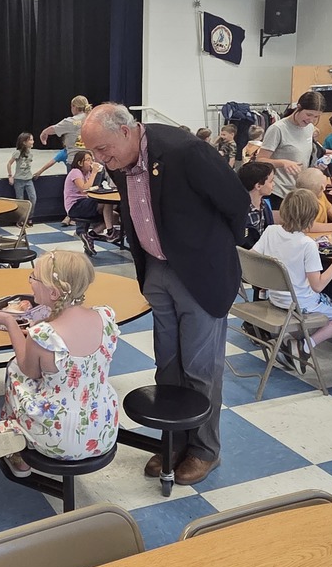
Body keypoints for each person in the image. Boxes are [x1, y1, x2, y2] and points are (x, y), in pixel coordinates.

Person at [81, 103, 248, 485]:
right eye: (93, 153)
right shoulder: (118, 160)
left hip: (198, 274)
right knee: (167, 365)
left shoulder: (184, 151)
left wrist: (213, 250)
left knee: (200, 369)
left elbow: (236, 203)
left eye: (103, 149)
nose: (100, 160)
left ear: (126, 131)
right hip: (156, 268)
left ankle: (206, 450)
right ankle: (174, 441)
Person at [0, 251, 120, 475]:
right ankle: (18, 439)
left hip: (57, 438)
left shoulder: (44, 335)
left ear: (53, 292)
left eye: (34, 277)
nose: (30, 282)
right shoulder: (105, 316)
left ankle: (18, 442)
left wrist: (11, 325)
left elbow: (28, 370)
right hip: (104, 428)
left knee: (14, 370)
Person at [252, 189, 332, 367]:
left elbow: (253, 258)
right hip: (301, 303)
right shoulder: (307, 245)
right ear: (311, 217)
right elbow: (318, 286)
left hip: (276, 297)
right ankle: (305, 346)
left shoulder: (271, 231)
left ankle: (289, 340)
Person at [257, 91, 324, 209]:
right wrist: (283, 163)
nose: (311, 120)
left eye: (316, 116)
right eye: (308, 114)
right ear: (298, 107)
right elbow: (260, 160)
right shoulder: (278, 129)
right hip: (278, 191)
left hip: (299, 191)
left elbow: (304, 158)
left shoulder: (310, 128)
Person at [62, 151, 117, 255]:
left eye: (92, 159)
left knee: (114, 216)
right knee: (106, 202)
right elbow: (84, 189)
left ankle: (90, 235)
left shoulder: (87, 173)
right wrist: (94, 172)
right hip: (76, 206)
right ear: (80, 163)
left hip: (85, 203)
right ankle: (110, 232)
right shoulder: (75, 172)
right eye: (87, 160)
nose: (91, 162)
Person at [34, 95, 91, 177]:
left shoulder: (71, 121)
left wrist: (44, 133)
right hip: (91, 162)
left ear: (74, 106)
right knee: (91, 188)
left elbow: (54, 129)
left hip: (75, 162)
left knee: (75, 189)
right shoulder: (93, 119)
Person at [238, 161, 275, 249]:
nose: (274, 184)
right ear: (258, 186)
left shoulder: (265, 206)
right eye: (271, 181)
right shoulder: (240, 211)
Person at [7, 131, 36, 225]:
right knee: (20, 200)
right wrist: (10, 176)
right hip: (19, 180)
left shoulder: (30, 153)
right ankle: (21, 219)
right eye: (30, 140)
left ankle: (29, 217)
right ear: (24, 142)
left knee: (33, 198)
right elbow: (9, 164)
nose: (33, 141)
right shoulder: (17, 153)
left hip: (28, 180)